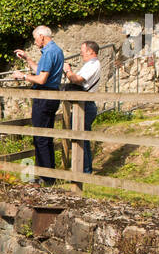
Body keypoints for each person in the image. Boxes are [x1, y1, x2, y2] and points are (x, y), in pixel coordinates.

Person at [12, 26, 65, 185]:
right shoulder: (56, 50)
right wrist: (27, 59)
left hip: (44, 97)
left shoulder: (49, 52)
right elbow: (41, 71)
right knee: (46, 136)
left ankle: (45, 178)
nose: (35, 42)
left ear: (42, 37)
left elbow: (41, 79)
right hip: (52, 96)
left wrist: (23, 76)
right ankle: (49, 175)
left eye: (35, 39)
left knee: (40, 137)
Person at [64, 40, 101, 174]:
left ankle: (84, 171)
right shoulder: (90, 64)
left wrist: (68, 71)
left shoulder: (93, 64)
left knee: (81, 140)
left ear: (91, 51)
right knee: (80, 139)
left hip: (86, 105)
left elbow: (77, 79)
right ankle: (83, 170)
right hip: (84, 104)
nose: (81, 53)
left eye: (83, 51)